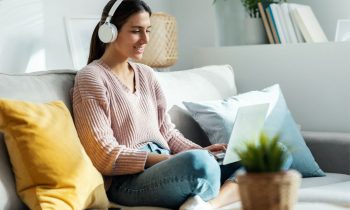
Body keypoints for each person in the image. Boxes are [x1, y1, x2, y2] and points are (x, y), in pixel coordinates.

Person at [72, 0, 241, 209]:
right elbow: (103, 155)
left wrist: (201, 150)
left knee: (267, 152)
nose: (145, 39)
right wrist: (170, 159)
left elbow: (167, 132)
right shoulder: (91, 77)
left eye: (148, 31)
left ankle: (209, 204)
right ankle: (216, 188)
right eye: (136, 31)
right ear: (110, 32)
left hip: (168, 164)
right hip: (129, 179)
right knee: (200, 165)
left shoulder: (147, 74)